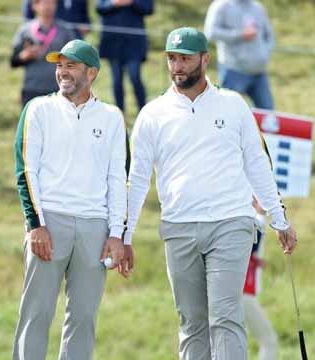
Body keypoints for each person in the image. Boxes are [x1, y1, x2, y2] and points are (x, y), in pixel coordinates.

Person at [125, 27, 297, 360]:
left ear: (205, 59)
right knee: (191, 322)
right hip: (179, 226)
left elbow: (258, 165)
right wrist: (125, 235)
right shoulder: (152, 115)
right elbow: (138, 179)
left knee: (225, 316)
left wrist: (279, 219)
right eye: (172, 58)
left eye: (185, 59)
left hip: (230, 223)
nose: (177, 66)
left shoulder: (234, 105)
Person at [12, 39, 128, 360]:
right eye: (59, 65)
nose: (62, 72)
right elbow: (26, 170)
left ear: (91, 73)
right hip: (49, 221)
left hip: (95, 227)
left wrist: (117, 234)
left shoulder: (112, 117)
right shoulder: (38, 109)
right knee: (36, 314)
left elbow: (118, 179)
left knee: (83, 318)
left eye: (71, 65)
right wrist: (36, 224)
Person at [204, 0, 276, 110]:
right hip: (234, 70)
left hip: (259, 71)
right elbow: (211, 32)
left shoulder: (257, 6)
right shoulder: (221, 5)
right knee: (229, 112)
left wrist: (264, 53)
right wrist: (240, 35)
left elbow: (269, 35)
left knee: (268, 115)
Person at [11, 0, 76, 107]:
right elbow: (13, 61)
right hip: (32, 88)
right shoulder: (25, 30)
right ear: (34, 5)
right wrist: (24, 56)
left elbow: (75, 60)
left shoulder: (65, 31)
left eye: (52, 2)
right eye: (44, 2)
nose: (48, 6)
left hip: (59, 89)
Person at [97, 0, 153, 113]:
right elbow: (100, 8)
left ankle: (144, 111)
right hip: (113, 42)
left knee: (135, 77)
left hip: (134, 43)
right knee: (117, 80)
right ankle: (120, 114)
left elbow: (148, 9)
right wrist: (114, 3)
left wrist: (131, 2)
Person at [243, 200, 279, 360]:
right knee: (269, 341)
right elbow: (255, 240)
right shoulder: (252, 222)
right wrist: (261, 213)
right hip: (242, 293)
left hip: (240, 292)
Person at [23, 0, 91, 39]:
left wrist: (86, 25)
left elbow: (85, 16)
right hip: (51, 36)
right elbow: (28, 16)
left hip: (75, 38)